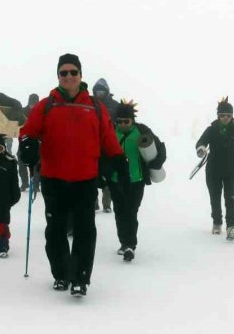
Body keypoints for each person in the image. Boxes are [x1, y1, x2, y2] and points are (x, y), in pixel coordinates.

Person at [19, 54, 126, 297]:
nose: (68, 76)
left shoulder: (95, 107)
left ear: (80, 75)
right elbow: (28, 131)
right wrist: (26, 144)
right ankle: (61, 273)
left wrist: (118, 159)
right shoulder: (46, 105)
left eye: (73, 72)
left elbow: (109, 139)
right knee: (55, 231)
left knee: (84, 230)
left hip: (85, 180)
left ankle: (80, 278)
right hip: (53, 178)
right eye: (63, 72)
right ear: (58, 76)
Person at [107, 100, 167, 261]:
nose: (123, 124)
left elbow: (161, 148)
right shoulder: (109, 132)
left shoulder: (142, 131)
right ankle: (123, 242)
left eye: (126, 121)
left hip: (136, 179)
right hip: (116, 180)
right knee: (120, 211)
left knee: (131, 211)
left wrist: (156, 162)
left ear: (132, 120)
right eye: (119, 121)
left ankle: (130, 245)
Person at [195, 97, 234, 240]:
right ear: (218, 116)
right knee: (215, 197)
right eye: (222, 115)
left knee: (230, 197)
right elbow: (201, 142)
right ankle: (217, 222)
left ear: (232, 116)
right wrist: (201, 149)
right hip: (213, 170)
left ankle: (231, 226)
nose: (225, 118)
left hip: (232, 170)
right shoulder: (211, 130)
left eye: (228, 115)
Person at [92, 79, 120, 213]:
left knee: (107, 175)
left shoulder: (115, 106)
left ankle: (107, 203)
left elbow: (123, 123)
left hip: (108, 146)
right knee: (91, 174)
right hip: (92, 145)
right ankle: (94, 202)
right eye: (97, 91)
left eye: (102, 90)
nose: (99, 93)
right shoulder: (90, 104)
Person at [17, 93, 40, 190]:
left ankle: (36, 184)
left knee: (37, 163)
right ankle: (25, 183)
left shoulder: (42, 112)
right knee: (21, 161)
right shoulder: (22, 112)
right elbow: (16, 125)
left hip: (37, 142)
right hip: (23, 141)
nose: (32, 106)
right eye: (31, 104)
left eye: (34, 104)